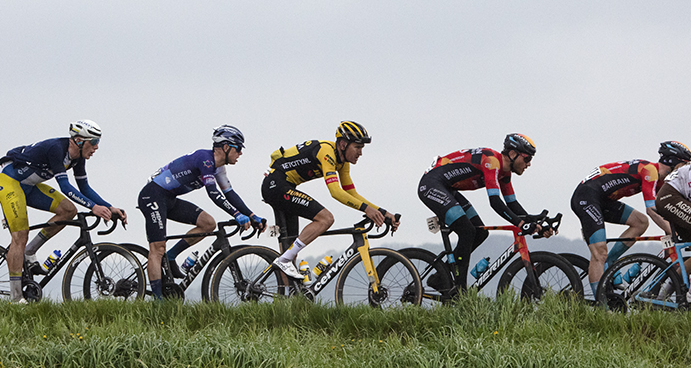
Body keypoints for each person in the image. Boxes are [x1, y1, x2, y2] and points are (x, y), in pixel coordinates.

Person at [0, 120, 125, 303]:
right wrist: (93, 207)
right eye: (93, 142)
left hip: (29, 187)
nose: (96, 148)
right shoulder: (56, 149)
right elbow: (65, 186)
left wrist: (109, 207)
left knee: (68, 210)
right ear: (79, 140)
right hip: (9, 184)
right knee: (20, 236)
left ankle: (30, 251)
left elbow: (84, 188)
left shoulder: (77, 158)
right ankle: (16, 298)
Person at [137, 125, 265, 299]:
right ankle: (159, 302)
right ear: (226, 147)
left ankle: (172, 255)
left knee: (208, 224)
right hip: (152, 195)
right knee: (157, 248)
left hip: (169, 199)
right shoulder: (205, 159)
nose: (241, 153)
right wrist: (236, 215)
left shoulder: (218, 168)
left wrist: (251, 215)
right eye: (238, 148)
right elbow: (213, 193)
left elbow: (230, 194)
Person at [261, 121, 397, 279]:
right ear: (343, 144)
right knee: (325, 218)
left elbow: (351, 193)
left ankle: (287, 297)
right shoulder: (326, 152)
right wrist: (367, 209)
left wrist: (383, 213)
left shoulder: (342, 162)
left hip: (283, 187)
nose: (360, 153)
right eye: (358, 147)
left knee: (290, 251)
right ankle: (284, 260)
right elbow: (335, 192)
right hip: (276, 186)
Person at [417, 133, 540, 294]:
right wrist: (521, 224)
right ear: (512, 154)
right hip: (432, 185)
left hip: (448, 189)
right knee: (467, 231)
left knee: (480, 233)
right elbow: (495, 202)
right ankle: (460, 291)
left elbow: (512, 204)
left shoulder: (504, 173)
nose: (529, 164)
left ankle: (442, 275)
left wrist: (535, 221)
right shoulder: (491, 161)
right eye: (527, 159)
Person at [570, 140, 691, 297]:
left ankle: (611, 262)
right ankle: (602, 305)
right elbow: (651, 209)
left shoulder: (661, 181)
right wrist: (670, 231)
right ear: (674, 162)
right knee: (599, 253)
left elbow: (667, 210)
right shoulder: (650, 170)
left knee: (640, 222)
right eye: (685, 165)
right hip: (586, 196)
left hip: (603, 200)